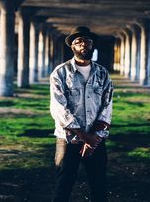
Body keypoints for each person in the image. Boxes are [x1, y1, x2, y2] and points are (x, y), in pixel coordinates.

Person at [50, 26, 113, 202]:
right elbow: (59, 108)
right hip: (68, 139)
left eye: (87, 41)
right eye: (79, 42)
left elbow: (107, 106)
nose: (83, 44)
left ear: (92, 45)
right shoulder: (60, 73)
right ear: (73, 47)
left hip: (96, 138)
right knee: (64, 183)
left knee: (99, 184)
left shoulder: (102, 74)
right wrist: (85, 137)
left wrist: (95, 137)